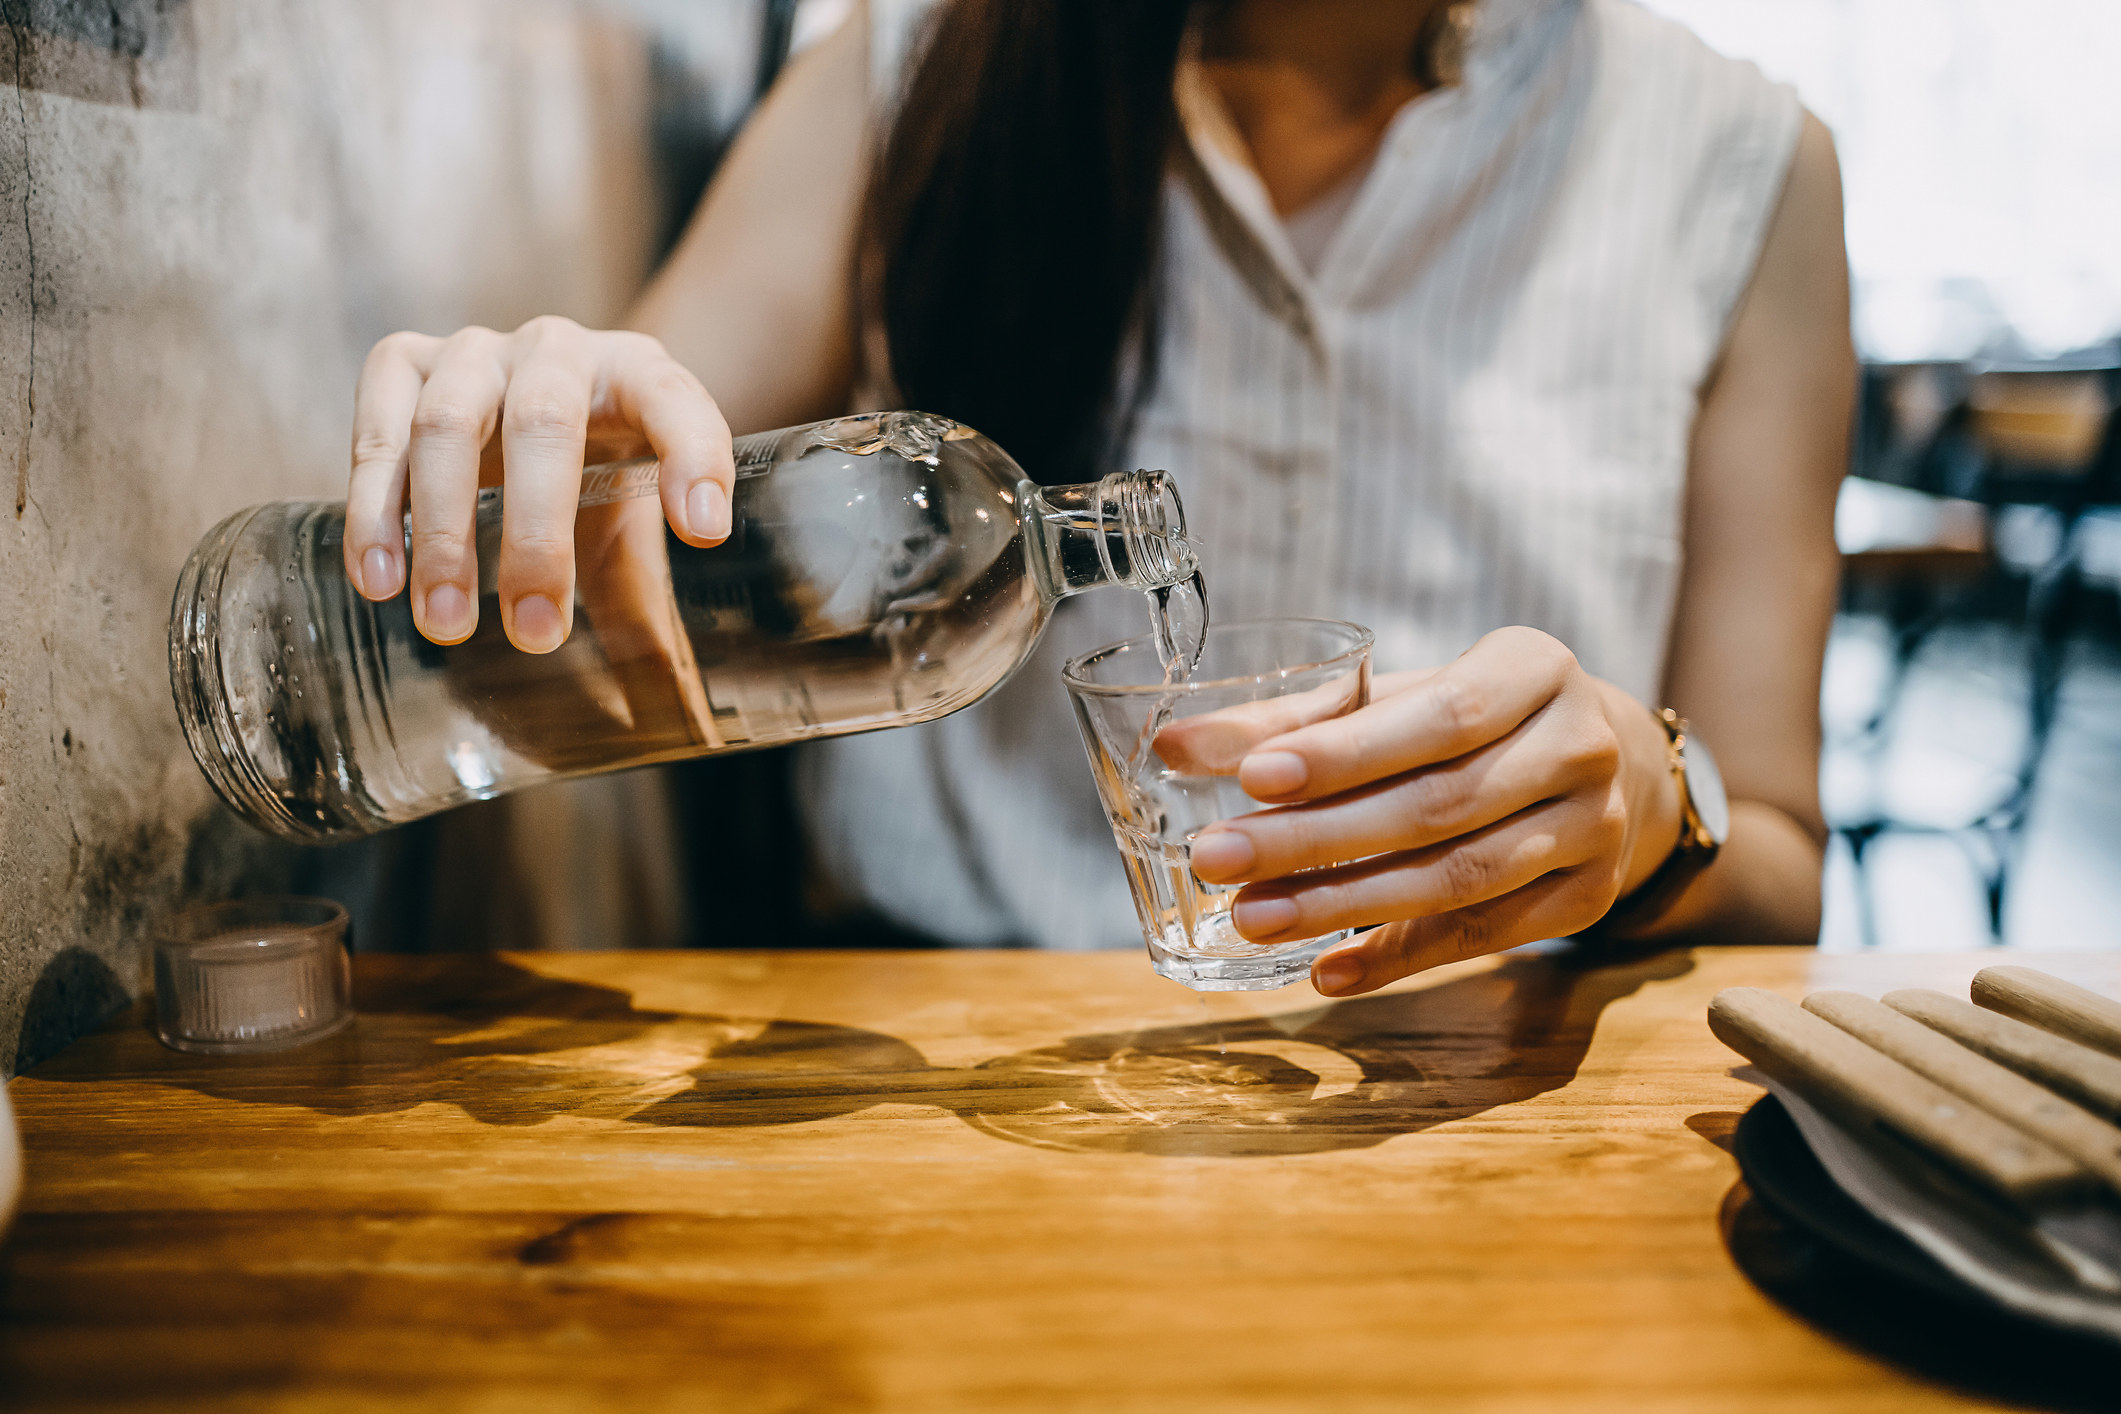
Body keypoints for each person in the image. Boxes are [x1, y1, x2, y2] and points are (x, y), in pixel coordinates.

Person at [338, 0, 1853, 996]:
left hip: (1466, 1086)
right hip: (934, 1053)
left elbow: (1778, 859)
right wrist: (532, 429)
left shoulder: (1734, 162)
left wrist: (1654, 799)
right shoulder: (916, 65)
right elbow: (623, 480)